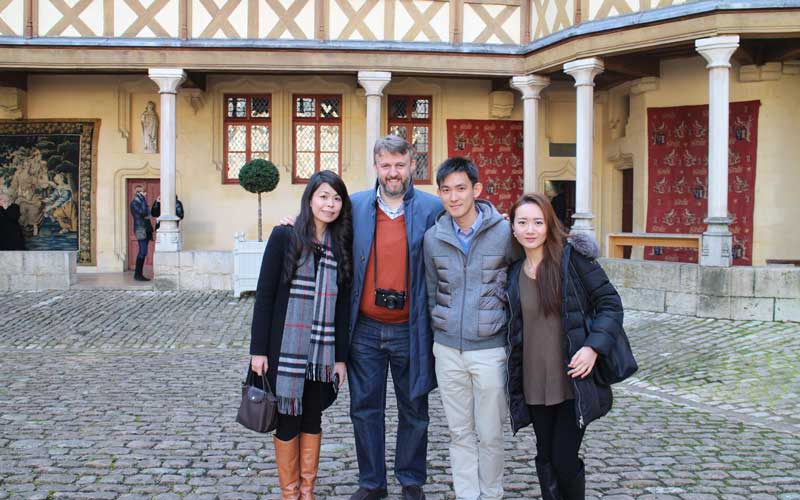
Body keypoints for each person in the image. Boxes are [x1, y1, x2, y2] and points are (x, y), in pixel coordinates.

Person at [506, 193, 623, 500]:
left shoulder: (572, 261)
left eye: (537, 222)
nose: (530, 229)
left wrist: (593, 348)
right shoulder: (513, 274)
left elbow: (610, 304)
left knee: (563, 458)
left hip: (572, 381)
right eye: (523, 223)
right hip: (534, 383)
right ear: (513, 228)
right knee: (544, 458)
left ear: (549, 225)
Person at [348, 135, 442, 500]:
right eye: (386, 165)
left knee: (414, 410)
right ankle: (372, 483)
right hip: (366, 329)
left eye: (400, 165)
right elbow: (321, 231)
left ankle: (411, 479)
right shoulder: (354, 206)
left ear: (411, 166)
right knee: (365, 410)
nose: (393, 172)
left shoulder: (432, 209)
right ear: (376, 166)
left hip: (411, 328)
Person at [250, 170, 353, 500]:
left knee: (312, 418)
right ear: (310, 199)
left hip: (321, 354)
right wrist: (258, 351)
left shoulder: (341, 245)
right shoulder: (285, 236)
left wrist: (340, 358)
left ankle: (307, 490)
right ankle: (289, 492)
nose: (330, 204)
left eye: (337, 198)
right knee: (288, 420)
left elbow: (342, 307)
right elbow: (265, 295)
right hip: (285, 349)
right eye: (323, 196)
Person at [423, 157, 517, 500]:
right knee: (459, 432)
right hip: (447, 349)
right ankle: (467, 494)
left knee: (490, 433)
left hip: (490, 350)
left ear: (476, 190)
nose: (453, 197)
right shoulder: (433, 238)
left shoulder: (505, 233)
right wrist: (440, 332)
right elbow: (432, 290)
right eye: (446, 190)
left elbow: (518, 284)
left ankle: (491, 492)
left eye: (461, 188)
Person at [129, 185, 152, 281]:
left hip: (145, 228)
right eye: (144, 192)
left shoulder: (142, 202)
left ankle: (139, 274)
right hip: (140, 229)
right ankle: (137, 275)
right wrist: (142, 200)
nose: (146, 194)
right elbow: (143, 213)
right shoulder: (134, 203)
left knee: (144, 251)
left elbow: (148, 215)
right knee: (142, 251)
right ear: (138, 193)